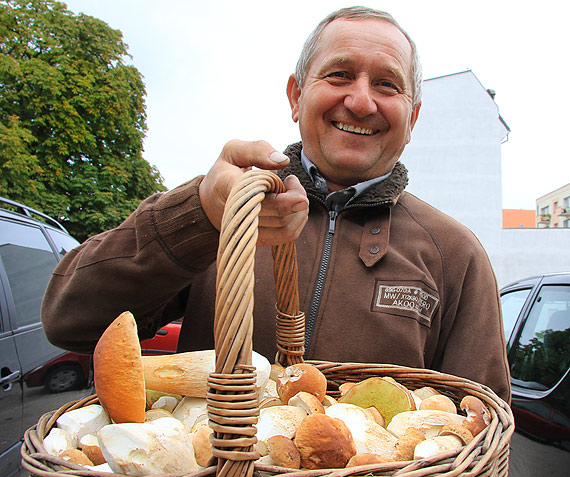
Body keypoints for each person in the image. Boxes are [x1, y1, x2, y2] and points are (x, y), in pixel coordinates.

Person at [42, 6, 511, 402]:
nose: (362, 101)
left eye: (387, 84)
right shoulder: (225, 206)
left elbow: (478, 435)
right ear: (296, 95)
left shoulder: (454, 254)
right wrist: (202, 214)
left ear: (412, 118)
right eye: (340, 74)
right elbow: (70, 322)